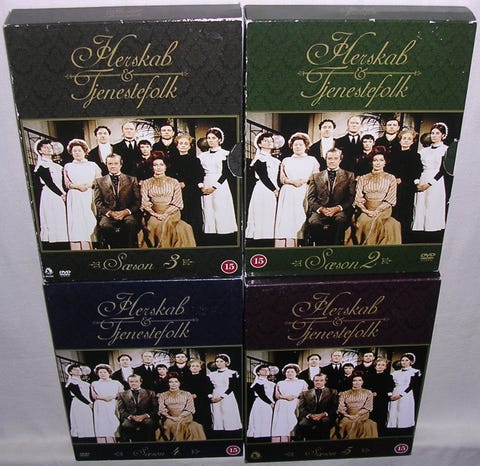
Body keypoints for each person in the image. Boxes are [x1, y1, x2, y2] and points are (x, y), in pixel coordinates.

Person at [140, 154, 196, 248]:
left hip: (172, 213)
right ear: (152, 167)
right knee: (155, 224)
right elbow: (144, 202)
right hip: (153, 213)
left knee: (179, 226)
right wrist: (155, 214)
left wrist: (166, 214)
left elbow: (177, 202)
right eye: (155, 165)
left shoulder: (174, 182)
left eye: (161, 165)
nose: (158, 167)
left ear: (166, 166)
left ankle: (167, 251)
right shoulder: (146, 182)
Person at [274, 132, 320, 247]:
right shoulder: (286, 160)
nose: (298, 147)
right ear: (291, 146)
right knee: (287, 220)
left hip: (304, 191)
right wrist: (292, 182)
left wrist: (303, 181)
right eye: (295, 145)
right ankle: (286, 245)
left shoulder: (312, 160)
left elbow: (316, 176)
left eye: (300, 144)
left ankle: (301, 244)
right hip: (288, 192)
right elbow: (282, 178)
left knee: (300, 219)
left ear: (306, 146)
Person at [352, 149, 402, 245]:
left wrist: (377, 211)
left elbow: (391, 199)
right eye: (375, 160)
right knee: (364, 221)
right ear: (371, 162)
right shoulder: (363, 178)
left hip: (384, 210)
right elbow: (358, 198)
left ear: (385, 162)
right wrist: (366, 211)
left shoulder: (391, 178)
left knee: (381, 222)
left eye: (381, 160)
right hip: (365, 209)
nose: (378, 163)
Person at [197, 127, 238, 243]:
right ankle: (210, 236)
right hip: (206, 182)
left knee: (221, 208)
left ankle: (224, 236)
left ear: (220, 140)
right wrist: (201, 186)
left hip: (220, 184)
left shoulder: (226, 154)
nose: (210, 140)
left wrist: (214, 187)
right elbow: (198, 172)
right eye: (208, 138)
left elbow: (226, 173)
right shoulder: (202, 156)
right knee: (208, 209)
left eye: (213, 138)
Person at [307, 148, 355, 245]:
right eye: (329, 158)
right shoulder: (316, 176)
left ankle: (336, 248)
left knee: (340, 220)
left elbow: (350, 198)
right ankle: (320, 249)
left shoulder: (349, 175)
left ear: (340, 160)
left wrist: (338, 208)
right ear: (326, 159)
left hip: (339, 211)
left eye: (335, 158)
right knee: (313, 222)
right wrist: (321, 209)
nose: (332, 161)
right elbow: (311, 198)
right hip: (321, 210)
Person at [93, 154, 141, 248]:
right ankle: (113, 252)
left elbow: (137, 201)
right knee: (105, 225)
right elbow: (98, 202)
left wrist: (126, 212)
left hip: (126, 213)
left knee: (131, 223)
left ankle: (130, 251)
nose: (113, 166)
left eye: (116, 163)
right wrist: (110, 213)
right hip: (109, 214)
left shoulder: (131, 180)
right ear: (106, 165)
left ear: (121, 164)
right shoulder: (99, 181)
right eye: (110, 164)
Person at [412, 123, 449, 240]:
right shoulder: (423, 151)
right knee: (420, 206)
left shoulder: (445, 150)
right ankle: (419, 234)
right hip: (423, 178)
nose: (434, 135)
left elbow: (443, 170)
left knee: (432, 205)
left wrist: (429, 184)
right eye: (432, 133)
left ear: (443, 135)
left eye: (437, 133)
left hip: (436, 182)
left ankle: (432, 233)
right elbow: (417, 168)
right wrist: (417, 182)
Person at [63, 138, 101, 250]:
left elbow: (99, 180)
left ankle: (93, 246)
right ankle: (78, 248)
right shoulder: (68, 166)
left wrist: (89, 185)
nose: (77, 153)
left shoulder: (92, 165)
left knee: (90, 220)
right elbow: (67, 183)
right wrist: (77, 187)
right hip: (75, 196)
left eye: (79, 150)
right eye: (74, 151)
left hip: (89, 194)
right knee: (77, 222)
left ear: (85, 151)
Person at [245, 132, 280, 243]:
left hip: (274, 188)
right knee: (263, 213)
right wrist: (274, 190)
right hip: (264, 189)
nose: (269, 142)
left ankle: (270, 238)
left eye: (271, 141)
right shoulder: (259, 159)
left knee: (271, 214)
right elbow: (264, 177)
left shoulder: (275, 160)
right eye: (265, 141)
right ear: (260, 144)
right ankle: (261, 239)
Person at [33, 139, 68, 250]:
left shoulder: (56, 165)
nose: (49, 149)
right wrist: (61, 194)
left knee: (61, 218)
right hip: (51, 195)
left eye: (50, 147)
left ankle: (63, 242)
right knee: (53, 218)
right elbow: (49, 182)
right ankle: (54, 244)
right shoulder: (41, 165)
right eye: (45, 147)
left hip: (60, 193)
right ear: (40, 151)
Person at [171, 134, 204, 242]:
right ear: (177, 146)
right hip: (176, 193)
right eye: (181, 143)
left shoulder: (195, 160)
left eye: (186, 144)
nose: (183, 145)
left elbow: (199, 176)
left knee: (193, 218)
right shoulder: (172, 160)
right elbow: (169, 176)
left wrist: (186, 184)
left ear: (189, 146)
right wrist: (177, 184)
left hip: (191, 192)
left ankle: (194, 241)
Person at [393, 129, 423, 243]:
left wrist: (403, 179)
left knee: (405, 215)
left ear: (412, 142)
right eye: (404, 138)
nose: (406, 141)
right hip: (393, 187)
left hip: (407, 188)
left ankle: (404, 240)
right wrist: (394, 179)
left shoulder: (415, 156)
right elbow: (389, 169)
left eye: (409, 139)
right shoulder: (393, 154)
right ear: (400, 140)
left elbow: (416, 172)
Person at [157, 374, 206, 441]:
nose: (173, 384)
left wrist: (180, 417)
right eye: (171, 382)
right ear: (168, 383)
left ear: (179, 383)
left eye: (176, 382)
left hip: (185, 417)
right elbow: (161, 409)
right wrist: (171, 417)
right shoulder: (163, 395)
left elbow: (190, 408)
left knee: (197, 426)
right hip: (169, 417)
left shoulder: (187, 394)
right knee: (173, 425)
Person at [271, 363, 308, 442]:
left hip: (295, 404)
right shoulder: (280, 383)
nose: (290, 373)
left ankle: (293, 440)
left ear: (296, 373)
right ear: (285, 373)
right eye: (288, 372)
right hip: (282, 405)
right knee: (281, 424)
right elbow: (277, 395)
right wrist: (285, 397)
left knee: (293, 422)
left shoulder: (302, 382)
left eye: (292, 372)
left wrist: (295, 396)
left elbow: (305, 393)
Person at [208, 353, 242, 436]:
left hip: (227, 395)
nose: (218, 363)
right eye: (217, 361)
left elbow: (232, 386)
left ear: (226, 363)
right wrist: (211, 396)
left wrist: (222, 396)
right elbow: (208, 387)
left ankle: (230, 431)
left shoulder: (232, 373)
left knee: (228, 412)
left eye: (221, 361)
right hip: (215, 394)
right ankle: (219, 432)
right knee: (217, 413)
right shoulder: (211, 374)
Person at [117, 374, 159, 441]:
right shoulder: (122, 394)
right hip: (130, 418)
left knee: (149, 423)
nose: (133, 383)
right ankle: (128, 446)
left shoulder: (150, 393)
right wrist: (131, 416)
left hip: (146, 417)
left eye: (136, 381)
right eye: (131, 382)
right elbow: (121, 410)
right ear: (128, 382)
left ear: (140, 382)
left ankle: (150, 444)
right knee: (126, 425)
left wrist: (144, 416)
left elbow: (155, 408)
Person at [296, 374, 338, 440]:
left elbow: (334, 407)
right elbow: (302, 408)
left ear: (325, 381)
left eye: (321, 380)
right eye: (316, 380)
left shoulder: (332, 392)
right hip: (310, 416)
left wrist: (322, 414)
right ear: (313, 381)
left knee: (325, 422)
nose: (318, 382)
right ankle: (309, 444)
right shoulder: (305, 393)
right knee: (303, 423)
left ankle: (324, 444)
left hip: (325, 416)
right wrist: (310, 415)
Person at [387, 353, 421, 433]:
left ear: (411, 362)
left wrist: (401, 395)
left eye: (406, 360)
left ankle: (404, 430)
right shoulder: (395, 373)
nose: (404, 362)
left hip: (406, 394)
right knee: (393, 412)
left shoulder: (415, 372)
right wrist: (390, 395)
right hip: (395, 392)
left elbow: (412, 385)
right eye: (402, 360)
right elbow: (389, 385)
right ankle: (393, 430)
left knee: (403, 411)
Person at [337, 373, 378, 439]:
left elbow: (368, 407)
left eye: (359, 380)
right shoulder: (345, 393)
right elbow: (340, 407)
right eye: (355, 380)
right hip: (348, 415)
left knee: (358, 423)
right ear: (351, 382)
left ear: (362, 382)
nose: (357, 382)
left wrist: (357, 415)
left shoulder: (368, 392)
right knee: (345, 423)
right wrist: (347, 415)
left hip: (363, 415)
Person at [90, 364, 124, 443]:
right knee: (102, 424)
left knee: (113, 422)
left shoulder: (116, 382)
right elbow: (94, 396)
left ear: (109, 373)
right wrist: (104, 398)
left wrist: (112, 397)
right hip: (100, 405)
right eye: (100, 372)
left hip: (112, 404)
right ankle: (102, 442)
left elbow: (121, 393)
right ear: (97, 374)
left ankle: (115, 441)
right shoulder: (94, 383)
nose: (102, 374)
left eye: (104, 372)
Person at [182, 359, 214, 438]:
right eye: (193, 366)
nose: (195, 367)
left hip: (202, 402)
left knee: (204, 421)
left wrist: (197, 395)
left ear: (200, 368)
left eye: (197, 366)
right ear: (190, 368)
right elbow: (183, 389)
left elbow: (209, 389)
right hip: (189, 402)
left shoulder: (205, 378)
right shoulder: (185, 378)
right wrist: (190, 395)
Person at [65, 364, 95, 440]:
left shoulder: (84, 382)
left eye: (79, 369)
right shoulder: (72, 382)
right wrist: (88, 403)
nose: (78, 371)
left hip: (88, 403)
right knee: (81, 420)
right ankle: (83, 438)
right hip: (80, 403)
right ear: (70, 372)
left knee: (88, 421)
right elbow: (78, 394)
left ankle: (90, 437)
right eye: (75, 369)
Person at [246, 364, 275, 441]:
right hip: (261, 403)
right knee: (260, 420)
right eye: (263, 370)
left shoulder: (272, 383)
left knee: (267, 420)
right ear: (258, 372)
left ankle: (267, 436)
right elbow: (262, 394)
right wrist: (270, 403)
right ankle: (259, 436)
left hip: (270, 404)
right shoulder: (257, 383)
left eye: (267, 370)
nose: (266, 371)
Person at [369, 358, 394, 436]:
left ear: (385, 367)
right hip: (371, 399)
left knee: (381, 417)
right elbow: (367, 386)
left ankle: (380, 434)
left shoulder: (388, 377)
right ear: (375, 366)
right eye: (378, 365)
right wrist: (371, 392)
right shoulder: (370, 376)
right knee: (371, 417)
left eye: (383, 365)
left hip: (382, 399)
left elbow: (389, 388)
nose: (380, 366)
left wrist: (379, 393)